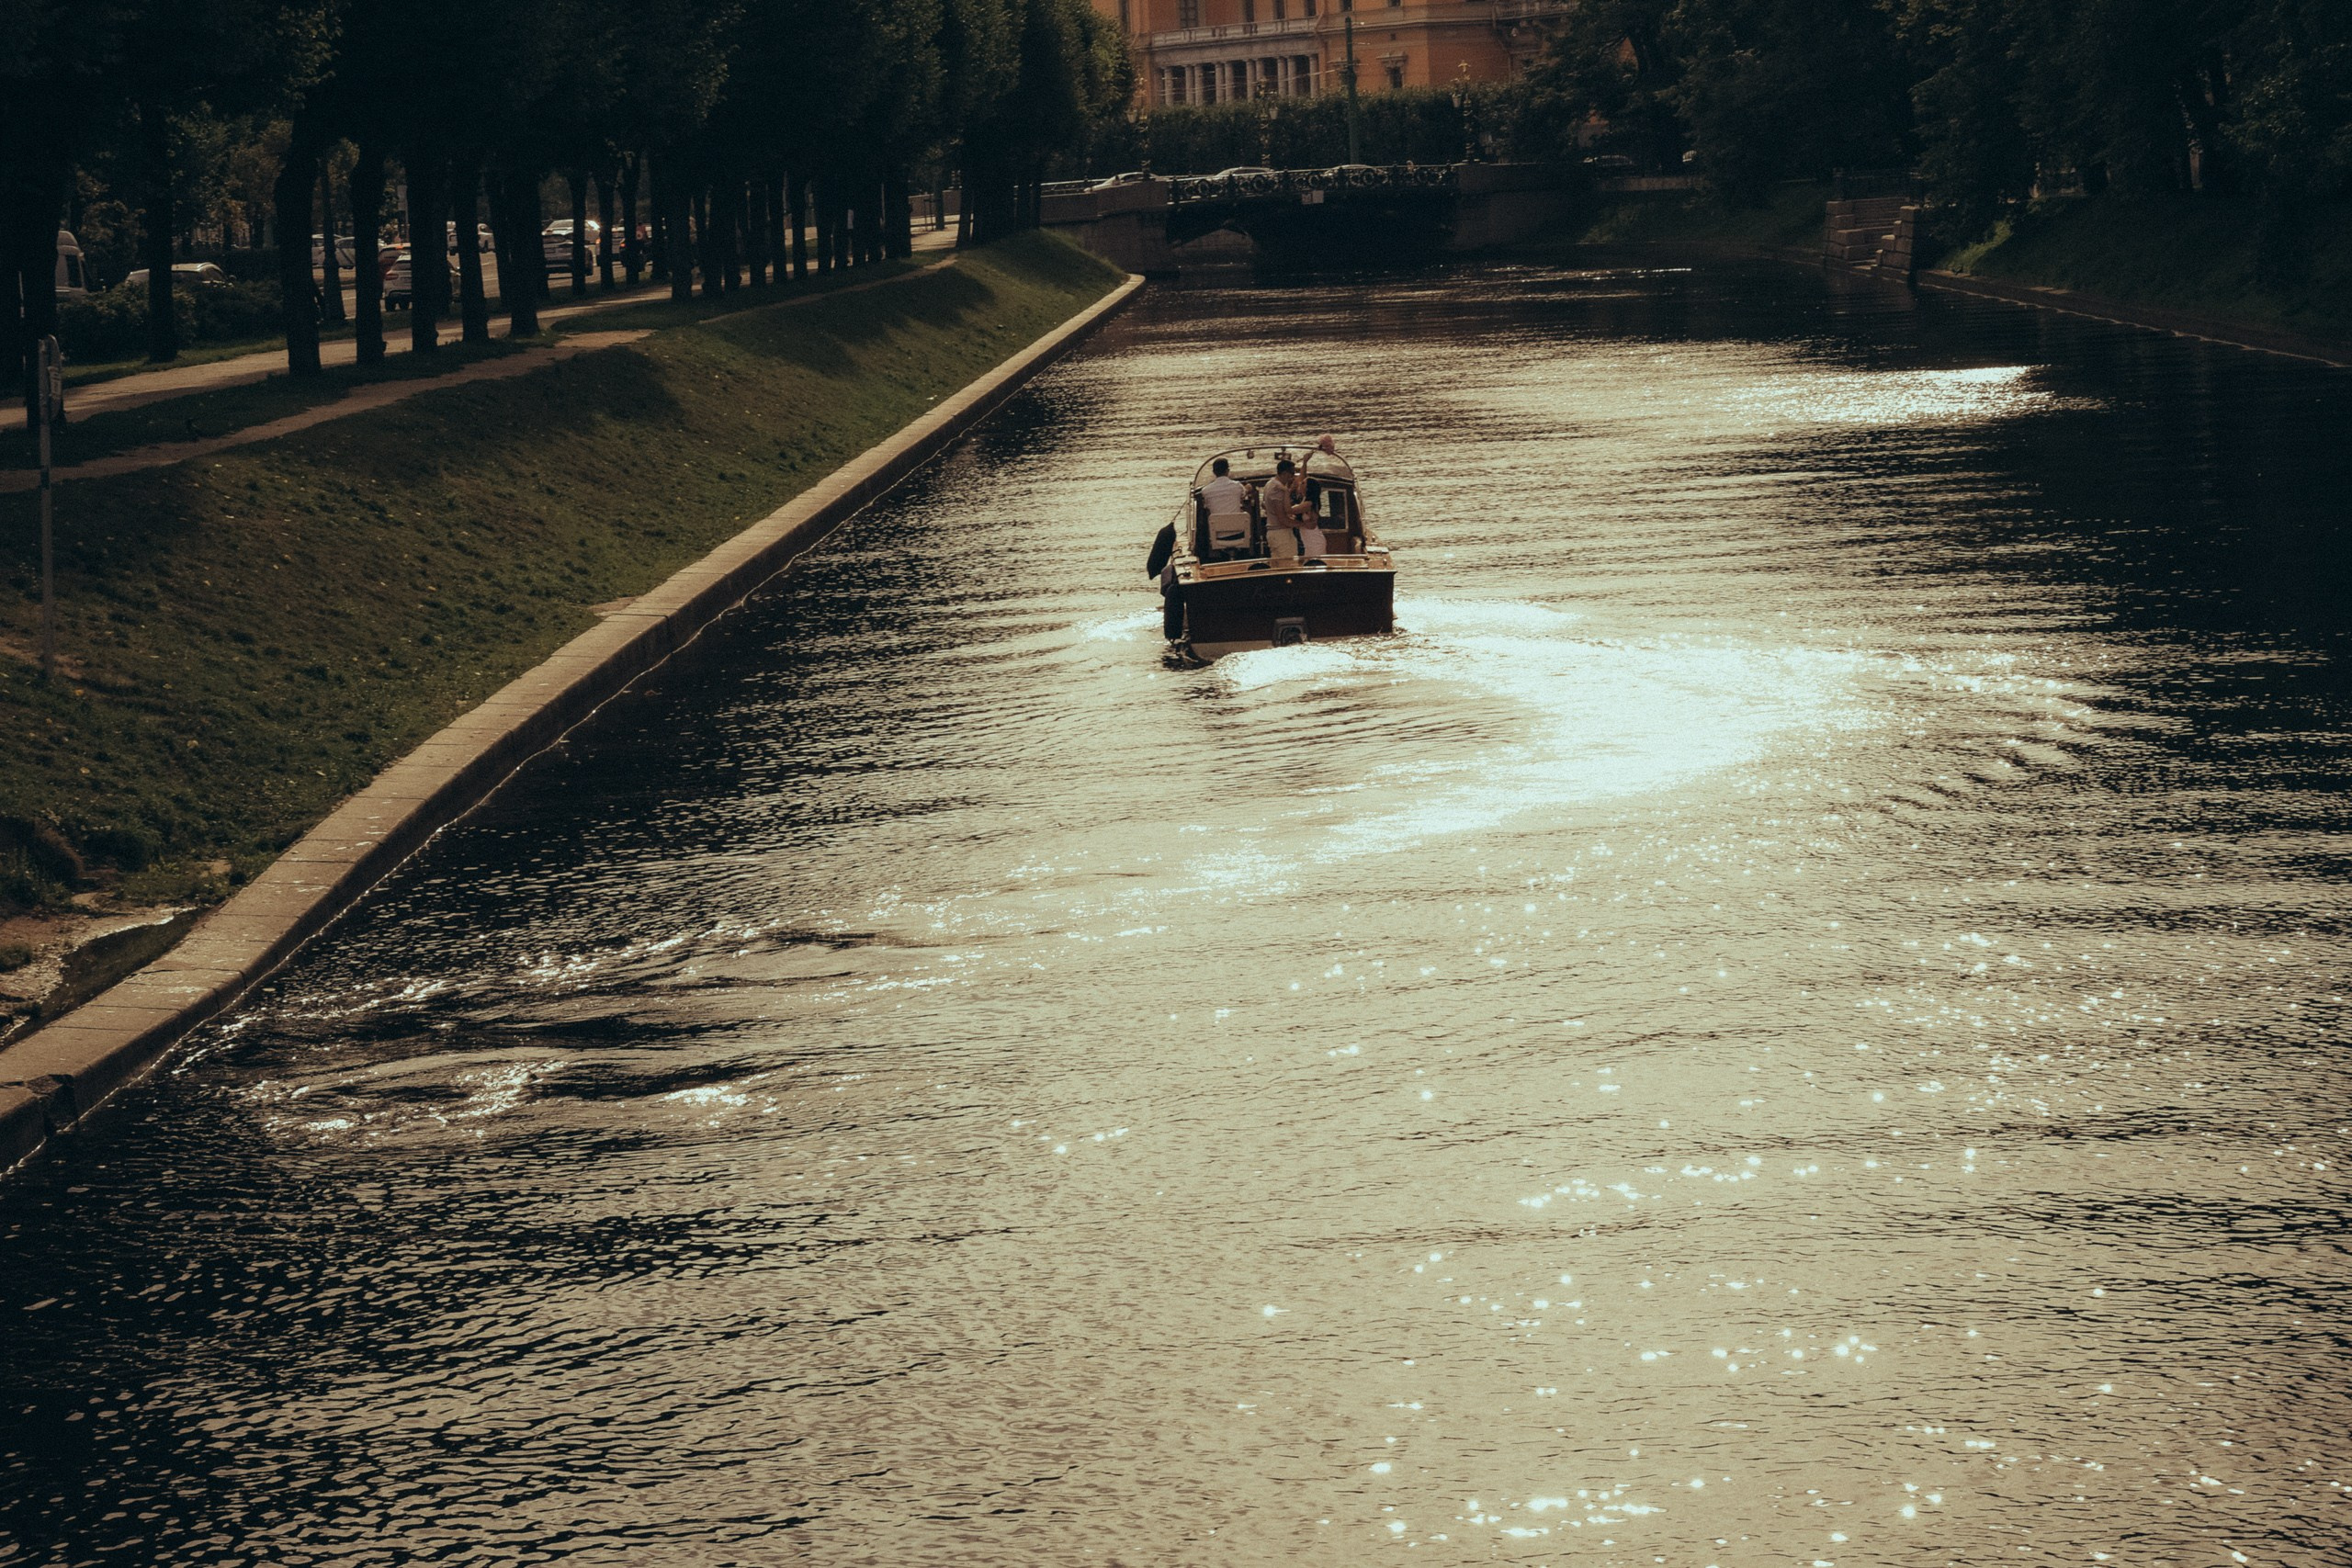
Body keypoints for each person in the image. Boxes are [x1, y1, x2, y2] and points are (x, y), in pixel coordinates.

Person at [1261, 457, 1322, 561]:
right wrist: (1303, 524)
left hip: (1275, 534)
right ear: (1285, 473)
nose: (1293, 477)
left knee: (1278, 568)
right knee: (1289, 567)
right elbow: (1283, 518)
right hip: (1281, 534)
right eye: (1292, 473)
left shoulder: (1270, 484)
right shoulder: (1278, 489)